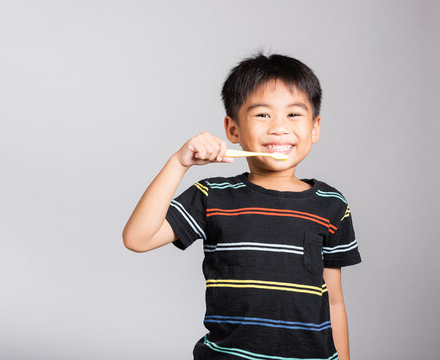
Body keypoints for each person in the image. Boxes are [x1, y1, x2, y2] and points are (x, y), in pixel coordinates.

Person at [122, 52, 361, 360]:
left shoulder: (332, 204)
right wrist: (178, 164)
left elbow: (334, 301)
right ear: (233, 129)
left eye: (294, 115)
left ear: (315, 128)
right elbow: (137, 239)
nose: (279, 128)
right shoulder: (213, 196)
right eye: (263, 115)